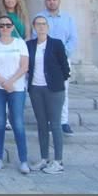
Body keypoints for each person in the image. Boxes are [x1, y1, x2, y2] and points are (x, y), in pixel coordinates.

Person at [0, 15, 30, 173]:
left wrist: (11, 82)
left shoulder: (20, 44)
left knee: (17, 123)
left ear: (12, 27)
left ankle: (23, 160)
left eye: (8, 25)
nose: (5, 28)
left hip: (16, 88)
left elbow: (24, 66)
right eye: (2, 25)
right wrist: (4, 82)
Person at [27, 15, 71, 174]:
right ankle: (44, 158)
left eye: (44, 24)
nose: (41, 27)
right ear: (33, 27)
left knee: (55, 124)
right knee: (41, 124)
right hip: (35, 89)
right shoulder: (29, 45)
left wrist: (58, 80)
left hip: (54, 89)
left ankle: (58, 161)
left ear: (48, 27)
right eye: (38, 24)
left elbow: (65, 67)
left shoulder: (56, 44)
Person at [32, 0, 78, 135]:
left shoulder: (67, 18)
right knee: (46, 91)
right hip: (44, 60)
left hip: (62, 60)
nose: (51, 2)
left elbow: (73, 38)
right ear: (45, 2)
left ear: (58, 0)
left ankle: (63, 121)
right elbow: (35, 36)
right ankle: (50, 121)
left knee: (62, 91)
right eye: (48, 0)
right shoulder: (39, 18)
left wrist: (63, 53)